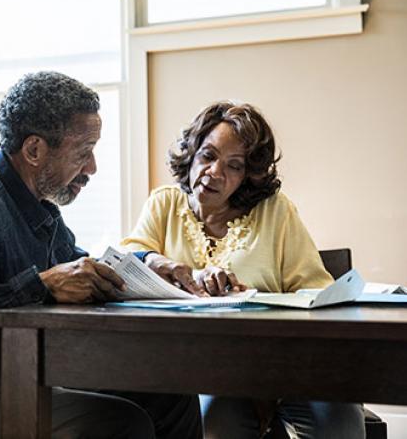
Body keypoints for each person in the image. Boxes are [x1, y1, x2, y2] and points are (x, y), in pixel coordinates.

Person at [0, 71, 203, 438]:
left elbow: (83, 269)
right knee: (121, 423)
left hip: (18, 373)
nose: (92, 168)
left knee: (171, 394)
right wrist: (39, 287)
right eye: (83, 152)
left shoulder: (38, 205)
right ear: (35, 150)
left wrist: (150, 265)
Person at [121, 101, 365, 439]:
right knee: (216, 425)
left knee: (339, 423)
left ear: (248, 176)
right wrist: (157, 260)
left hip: (287, 365)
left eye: (233, 166)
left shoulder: (275, 211)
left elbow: (317, 293)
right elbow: (127, 254)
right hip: (205, 372)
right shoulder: (164, 203)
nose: (214, 172)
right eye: (207, 156)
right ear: (192, 153)